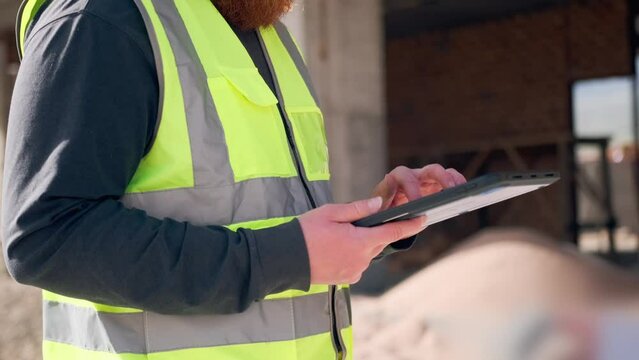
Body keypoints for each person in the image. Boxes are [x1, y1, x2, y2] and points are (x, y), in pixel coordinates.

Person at [2, 0, 466, 359]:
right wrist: (287, 256)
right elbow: (46, 239)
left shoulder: (265, 35)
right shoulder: (102, 21)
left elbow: (262, 216)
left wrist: (375, 221)